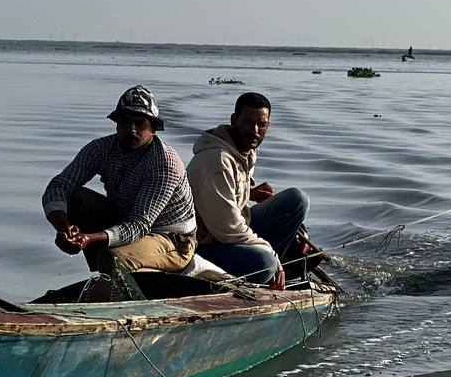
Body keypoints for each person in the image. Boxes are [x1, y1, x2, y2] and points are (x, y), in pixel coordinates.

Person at [41, 86, 198, 278]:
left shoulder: (164, 163)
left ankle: (118, 276)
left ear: (154, 129)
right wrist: (64, 228)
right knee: (75, 197)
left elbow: (139, 225)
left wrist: (88, 238)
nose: (131, 129)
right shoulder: (100, 149)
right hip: (124, 220)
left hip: (170, 240)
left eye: (140, 124)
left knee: (112, 258)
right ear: (116, 124)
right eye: (125, 122)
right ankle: (106, 274)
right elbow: (58, 186)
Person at [187, 92, 314, 289]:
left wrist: (250, 194)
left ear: (267, 126)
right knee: (265, 264)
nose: (255, 130)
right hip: (205, 245)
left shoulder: (246, 150)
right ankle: (275, 271)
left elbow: (232, 199)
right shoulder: (217, 161)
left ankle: (279, 265)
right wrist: (271, 253)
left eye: (261, 125)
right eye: (248, 122)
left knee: (297, 199)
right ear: (234, 120)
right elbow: (227, 230)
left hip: (230, 231)